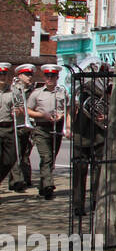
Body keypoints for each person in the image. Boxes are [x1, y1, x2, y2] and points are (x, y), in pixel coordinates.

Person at [70, 58, 109, 217]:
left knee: (98, 169)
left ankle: (95, 202)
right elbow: (71, 109)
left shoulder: (106, 88)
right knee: (79, 170)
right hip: (81, 133)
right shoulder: (79, 89)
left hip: (99, 133)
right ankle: (78, 205)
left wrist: (106, 115)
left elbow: (113, 107)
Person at [26, 64, 69, 200]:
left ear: (57, 77)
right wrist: (41, 115)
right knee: (46, 157)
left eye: (53, 76)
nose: (50, 79)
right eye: (47, 76)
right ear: (44, 77)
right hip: (41, 128)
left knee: (51, 158)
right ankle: (48, 186)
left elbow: (68, 109)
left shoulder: (62, 92)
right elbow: (28, 110)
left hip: (56, 128)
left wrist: (64, 120)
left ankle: (43, 186)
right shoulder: (37, 93)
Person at [9, 64, 35, 192]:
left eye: (31, 75)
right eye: (27, 75)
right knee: (16, 153)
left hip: (28, 126)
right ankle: (17, 181)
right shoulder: (13, 90)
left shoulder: (33, 91)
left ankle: (25, 179)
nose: (29, 77)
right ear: (20, 76)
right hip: (16, 125)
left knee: (25, 153)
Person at [0, 64, 19, 190]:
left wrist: (17, 110)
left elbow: (20, 106)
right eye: (0, 74)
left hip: (8, 127)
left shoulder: (13, 91)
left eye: (4, 74)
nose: (2, 77)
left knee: (10, 159)